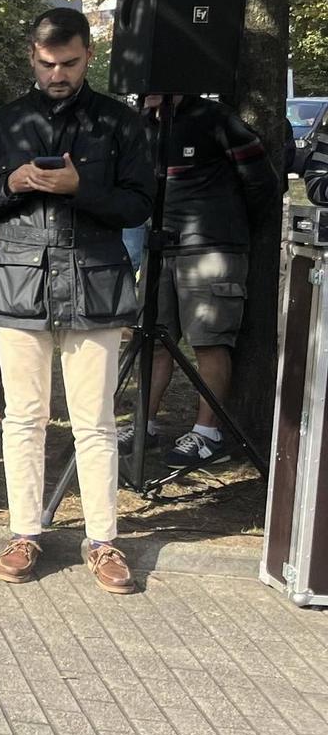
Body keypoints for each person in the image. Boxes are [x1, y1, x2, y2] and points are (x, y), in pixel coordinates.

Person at [0, 7, 154, 595]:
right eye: (47, 64)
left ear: (88, 55)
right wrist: (10, 186)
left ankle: (103, 540)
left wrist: (81, 188)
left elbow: (139, 205)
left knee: (94, 420)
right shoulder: (4, 124)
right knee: (23, 417)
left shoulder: (119, 122)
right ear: (32, 57)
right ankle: (25, 532)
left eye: (69, 63)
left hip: (93, 275)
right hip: (20, 276)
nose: (58, 74)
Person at [127, 91, 281, 472]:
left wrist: (226, 224)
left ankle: (207, 432)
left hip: (212, 249)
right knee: (152, 338)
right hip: (160, 247)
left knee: (210, 342)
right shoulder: (144, 125)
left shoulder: (217, 119)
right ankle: (143, 424)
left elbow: (263, 185)